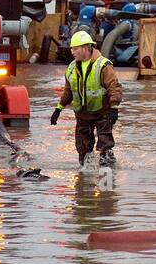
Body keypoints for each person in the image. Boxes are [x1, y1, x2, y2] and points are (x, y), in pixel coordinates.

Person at [50, 29, 123, 168]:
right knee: (83, 149)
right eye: (72, 49)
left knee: (104, 146)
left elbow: (114, 86)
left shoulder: (103, 65)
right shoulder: (71, 68)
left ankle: (108, 177)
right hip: (82, 114)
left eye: (75, 48)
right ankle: (84, 181)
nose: (72, 52)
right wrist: (58, 109)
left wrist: (114, 108)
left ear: (86, 48)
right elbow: (68, 91)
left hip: (103, 111)